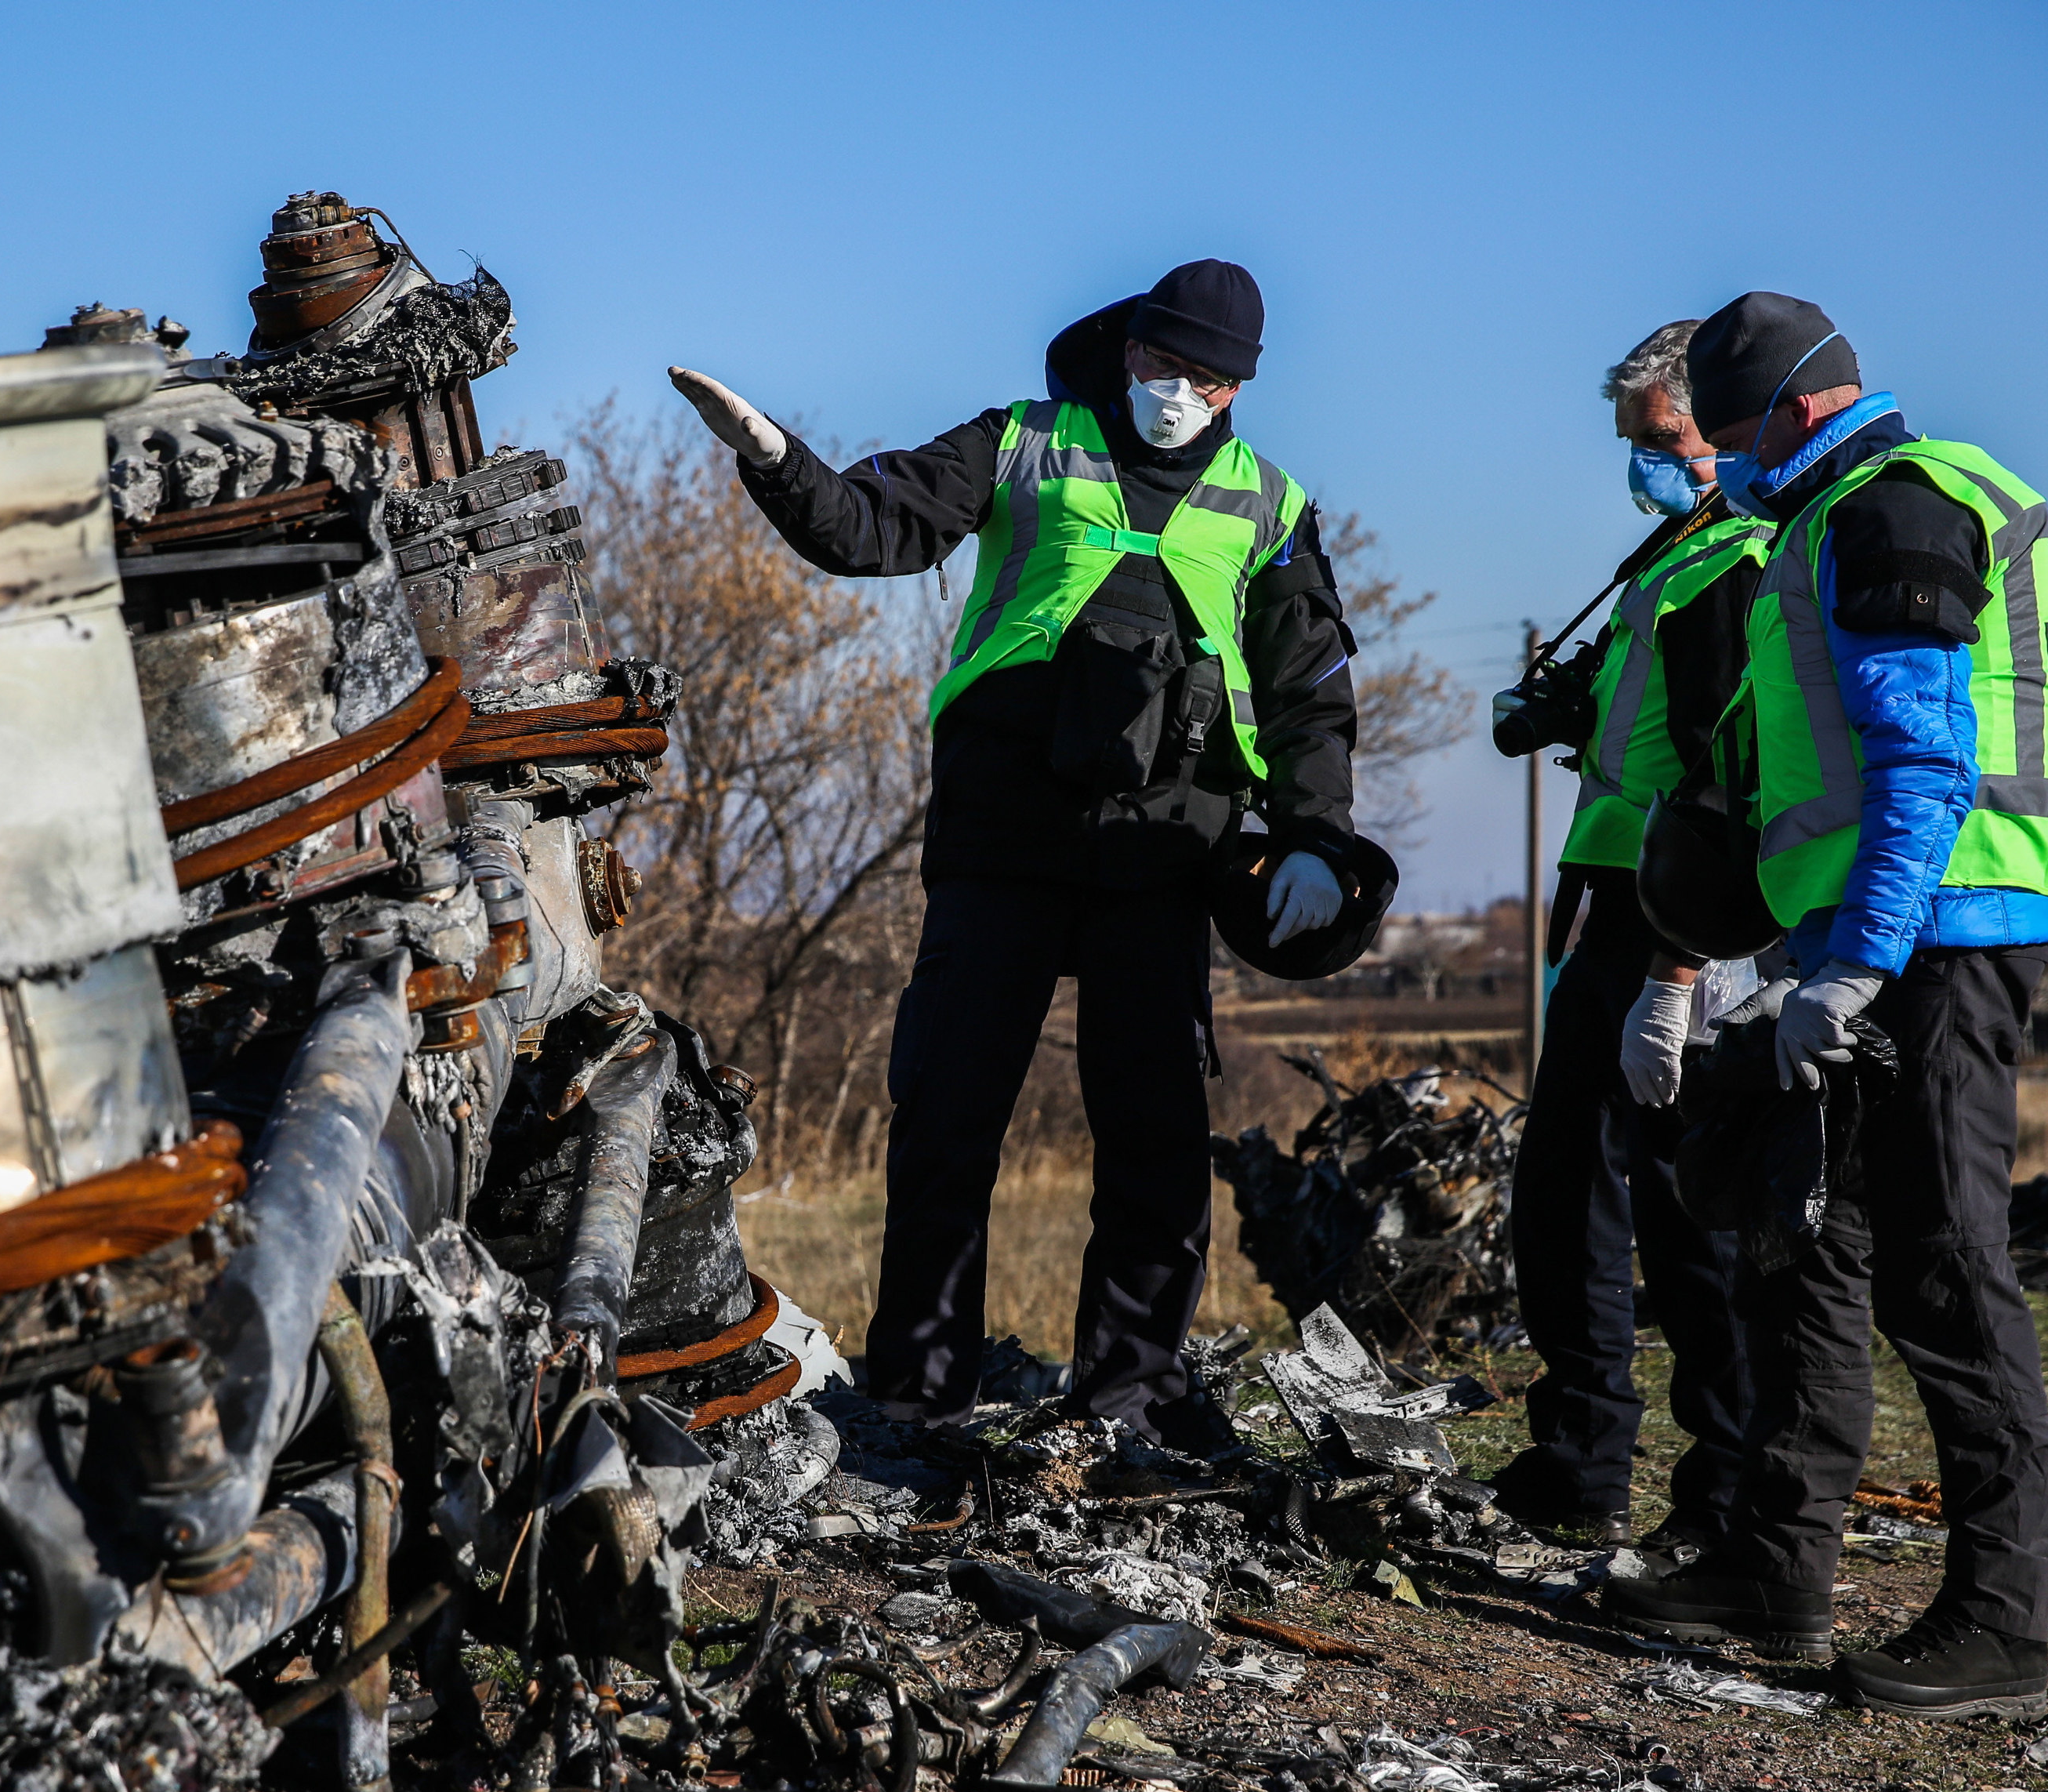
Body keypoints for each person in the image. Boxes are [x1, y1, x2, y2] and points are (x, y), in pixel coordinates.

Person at [667, 259, 1360, 1449]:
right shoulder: (1023, 442)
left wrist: (1317, 840)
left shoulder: (1272, 504)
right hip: (1005, 833)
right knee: (947, 1115)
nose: (1174, 389)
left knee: (1153, 1136)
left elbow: (1311, 695)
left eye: (1203, 376)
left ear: (1238, 390)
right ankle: (918, 1391)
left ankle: (1127, 1394)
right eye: (1158, 361)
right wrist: (778, 460)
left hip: (1168, 848)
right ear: (1126, 348)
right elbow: (875, 528)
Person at [1604, 293, 2048, 1721]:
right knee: (1810, 1246)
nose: (1719, 470)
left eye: (1731, 439)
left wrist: (1859, 963)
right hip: (1859, 934)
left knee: (1946, 1267)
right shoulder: (1832, 514)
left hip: (1938, 940)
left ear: (1797, 416)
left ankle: (2002, 1626)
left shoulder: (1894, 508)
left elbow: (1924, 763)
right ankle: (1774, 1563)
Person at [1484, 322, 1771, 1554]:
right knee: (1565, 1193)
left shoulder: (1747, 555)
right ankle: (1582, 1457)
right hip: (1610, 894)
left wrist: (1682, 966)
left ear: (1727, 422)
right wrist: (1558, 703)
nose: (1643, 467)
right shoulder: (1671, 555)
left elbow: (1727, 776)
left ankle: (1722, 1489)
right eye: (1634, 447)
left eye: (1659, 442)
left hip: (1683, 925)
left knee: (1685, 1209)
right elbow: (1637, 720)